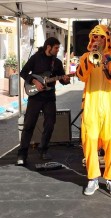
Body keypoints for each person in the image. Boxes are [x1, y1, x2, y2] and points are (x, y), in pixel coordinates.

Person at [76, 25, 111, 196]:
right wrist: (90, 59)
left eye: (100, 38)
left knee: (110, 141)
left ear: (106, 39)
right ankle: (92, 179)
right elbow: (80, 76)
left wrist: (106, 62)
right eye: (94, 38)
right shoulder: (85, 56)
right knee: (89, 140)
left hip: (108, 104)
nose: (97, 41)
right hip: (91, 103)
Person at [17, 37, 71, 166]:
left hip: (49, 98)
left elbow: (62, 80)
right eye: (56, 48)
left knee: (50, 124)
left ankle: (43, 149)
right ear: (49, 47)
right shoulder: (36, 58)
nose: (58, 50)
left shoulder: (57, 63)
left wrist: (65, 79)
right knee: (29, 125)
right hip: (35, 97)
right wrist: (34, 81)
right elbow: (23, 72)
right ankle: (22, 154)